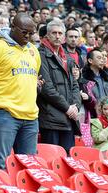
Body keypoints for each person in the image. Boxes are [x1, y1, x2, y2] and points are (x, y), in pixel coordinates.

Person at [0, 13, 41, 169]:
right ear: (13, 27)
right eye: (24, 31)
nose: (27, 36)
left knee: (28, 166)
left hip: (31, 116)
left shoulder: (34, 51)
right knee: (1, 163)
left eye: (31, 33)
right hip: (5, 113)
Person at [37, 20, 83, 153]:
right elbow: (47, 89)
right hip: (51, 120)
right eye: (54, 33)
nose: (57, 36)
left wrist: (75, 107)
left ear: (63, 37)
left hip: (68, 119)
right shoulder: (41, 55)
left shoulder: (67, 58)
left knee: (67, 162)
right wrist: (68, 108)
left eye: (60, 33)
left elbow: (75, 85)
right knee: (52, 161)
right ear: (47, 36)